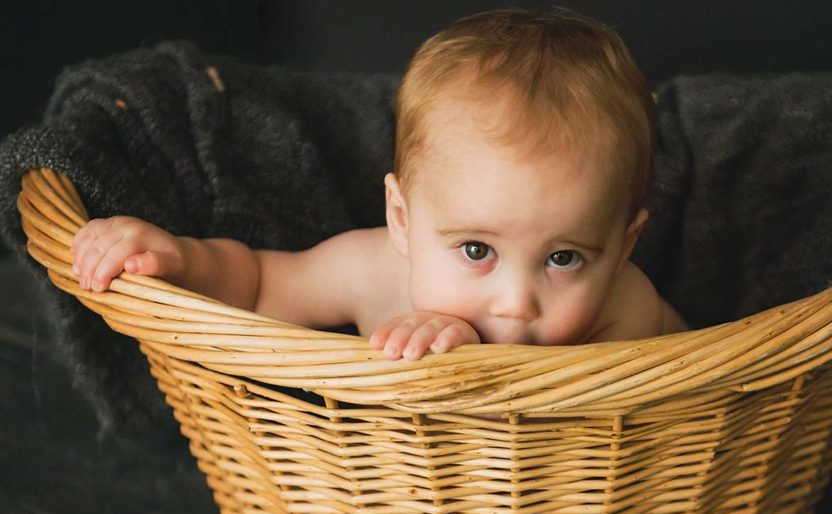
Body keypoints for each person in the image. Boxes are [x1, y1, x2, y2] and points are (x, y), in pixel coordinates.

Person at [70, 7, 689, 361]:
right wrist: (178, 258)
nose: (514, 302)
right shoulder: (372, 271)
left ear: (625, 242)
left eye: (562, 258)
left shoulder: (622, 309)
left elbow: (590, 428)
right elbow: (260, 283)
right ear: (402, 218)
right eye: (476, 250)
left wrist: (466, 361)